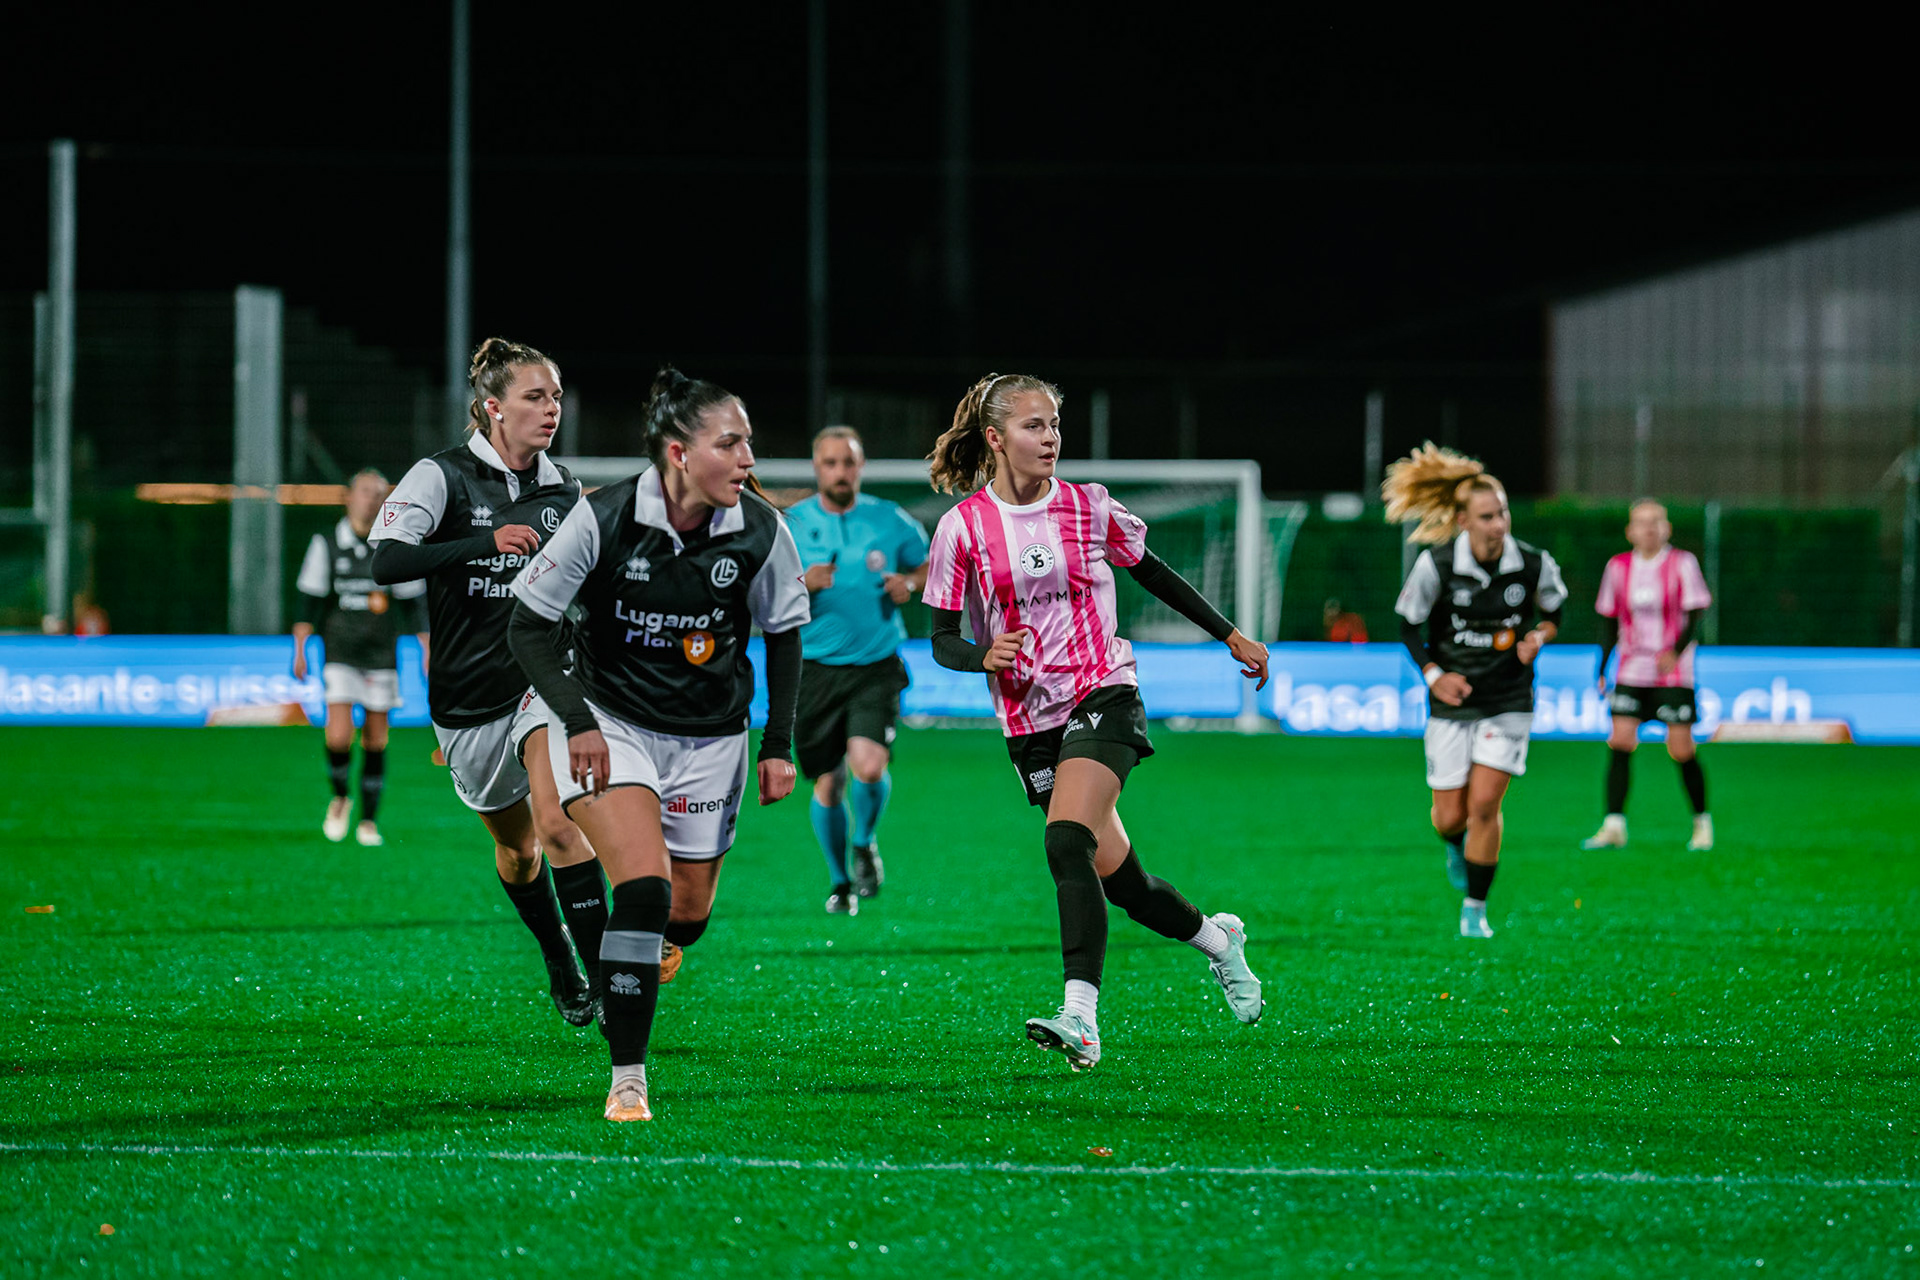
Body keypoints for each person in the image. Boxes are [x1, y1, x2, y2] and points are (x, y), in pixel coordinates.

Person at [922, 371, 1270, 1073]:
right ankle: (1216, 940)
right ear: (995, 439)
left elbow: (1152, 571)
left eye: (1053, 424)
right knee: (1126, 885)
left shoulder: (1088, 507)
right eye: (1032, 426)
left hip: (1104, 693)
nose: (1049, 437)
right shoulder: (963, 527)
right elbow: (941, 637)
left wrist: (1229, 632)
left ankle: (1081, 1018)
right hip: (1029, 722)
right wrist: (981, 655)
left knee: (1064, 842)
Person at [507, 366, 809, 1122]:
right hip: (613, 725)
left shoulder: (763, 530)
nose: (748, 460)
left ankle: (645, 950)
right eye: (731, 443)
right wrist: (575, 721)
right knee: (643, 888)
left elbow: (785, 636)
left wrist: (779, 742)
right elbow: (529, 626)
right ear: (679, 452)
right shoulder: (602, 518)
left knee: (689, 911)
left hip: (712, 739)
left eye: (748, 444)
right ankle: (628, 1078)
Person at [369, 337, 606, 1029]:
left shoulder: (564, 487)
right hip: (466, 700)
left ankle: (612, 986)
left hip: (544, 680)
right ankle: (558, 952)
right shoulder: (439, 477)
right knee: (518, 848)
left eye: (557, 396)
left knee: (561, 823)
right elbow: (386, 563)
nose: (551, 409)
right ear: (491, 408)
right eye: (535, 396)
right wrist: (483, 543)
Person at [1385, 443, 1566, 939]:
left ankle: (1474, 909)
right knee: (1449, 817)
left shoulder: (1532, 564)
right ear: (1463, 520)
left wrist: (1538, 637)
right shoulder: (1436, 566)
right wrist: (1434, 674)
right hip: (1451, 702)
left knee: (1486, 805)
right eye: (1487, 516)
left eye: (1503, 513)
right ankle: (1452, 846)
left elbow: (1554, 614)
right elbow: (1407, 626)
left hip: (1509, 700)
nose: (1499, 524)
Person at [783, 426, 930, 913]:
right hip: (814, 669)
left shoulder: (889, 520)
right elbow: (763, 590)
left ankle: (864, 841)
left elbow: (928, 567)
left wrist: (908, 583)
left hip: (875, 665)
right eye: (830, 463)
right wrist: (803, 583)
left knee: (868, 766)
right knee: (828, 783)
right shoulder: (793, 525)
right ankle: (839, 880)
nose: (840, 472)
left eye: (848, 462)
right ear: (816, 467)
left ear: (860, 466)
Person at [292, 467, 429, 847]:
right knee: (338, 736)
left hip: (381, 654)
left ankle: (368, 821)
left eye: (378, 493)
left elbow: (413, 603)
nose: (372, 498)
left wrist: (425, 648)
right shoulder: (327, 542)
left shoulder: (392, 545)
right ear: (349, 497)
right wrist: (300, 649)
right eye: (365, 491)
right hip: (340, 651)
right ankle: (340, 798)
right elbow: (309, 601)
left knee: (375, 738)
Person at [1582, 499, 1714, 852]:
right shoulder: (1617, 567)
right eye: (1642, 522)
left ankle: (1702, 823)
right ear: (1630, 531)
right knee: (1620, 740)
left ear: (1667, 528)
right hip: (1631, 669)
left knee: (1681, 747)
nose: (1649, 528)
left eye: (1656, 521)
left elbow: (1695, 612)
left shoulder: (1682, 563)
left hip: (1673, 673)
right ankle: (1614, 825)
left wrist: (1676, 650)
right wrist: (1601, 667)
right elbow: (1608, 621)